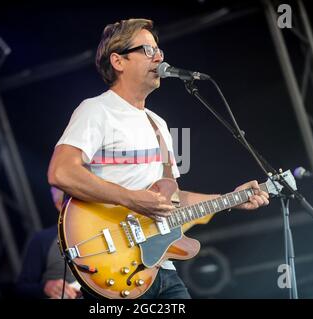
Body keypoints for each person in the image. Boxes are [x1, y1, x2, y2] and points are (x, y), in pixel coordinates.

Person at [47, 18, 269, 299]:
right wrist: (129, 198)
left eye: (159, 50)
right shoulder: (96, 110)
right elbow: (61, 172)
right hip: (115, 265)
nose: (160, 56)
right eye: (148, 50)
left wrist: (231, 198)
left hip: (162, 270)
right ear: (118, 61)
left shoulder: (158, 124)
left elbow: (173, 201)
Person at [15, 187, 82, 299]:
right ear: (59, 205)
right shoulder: (43, 239)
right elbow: (21, 289)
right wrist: (45, 287)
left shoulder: (106, 231)